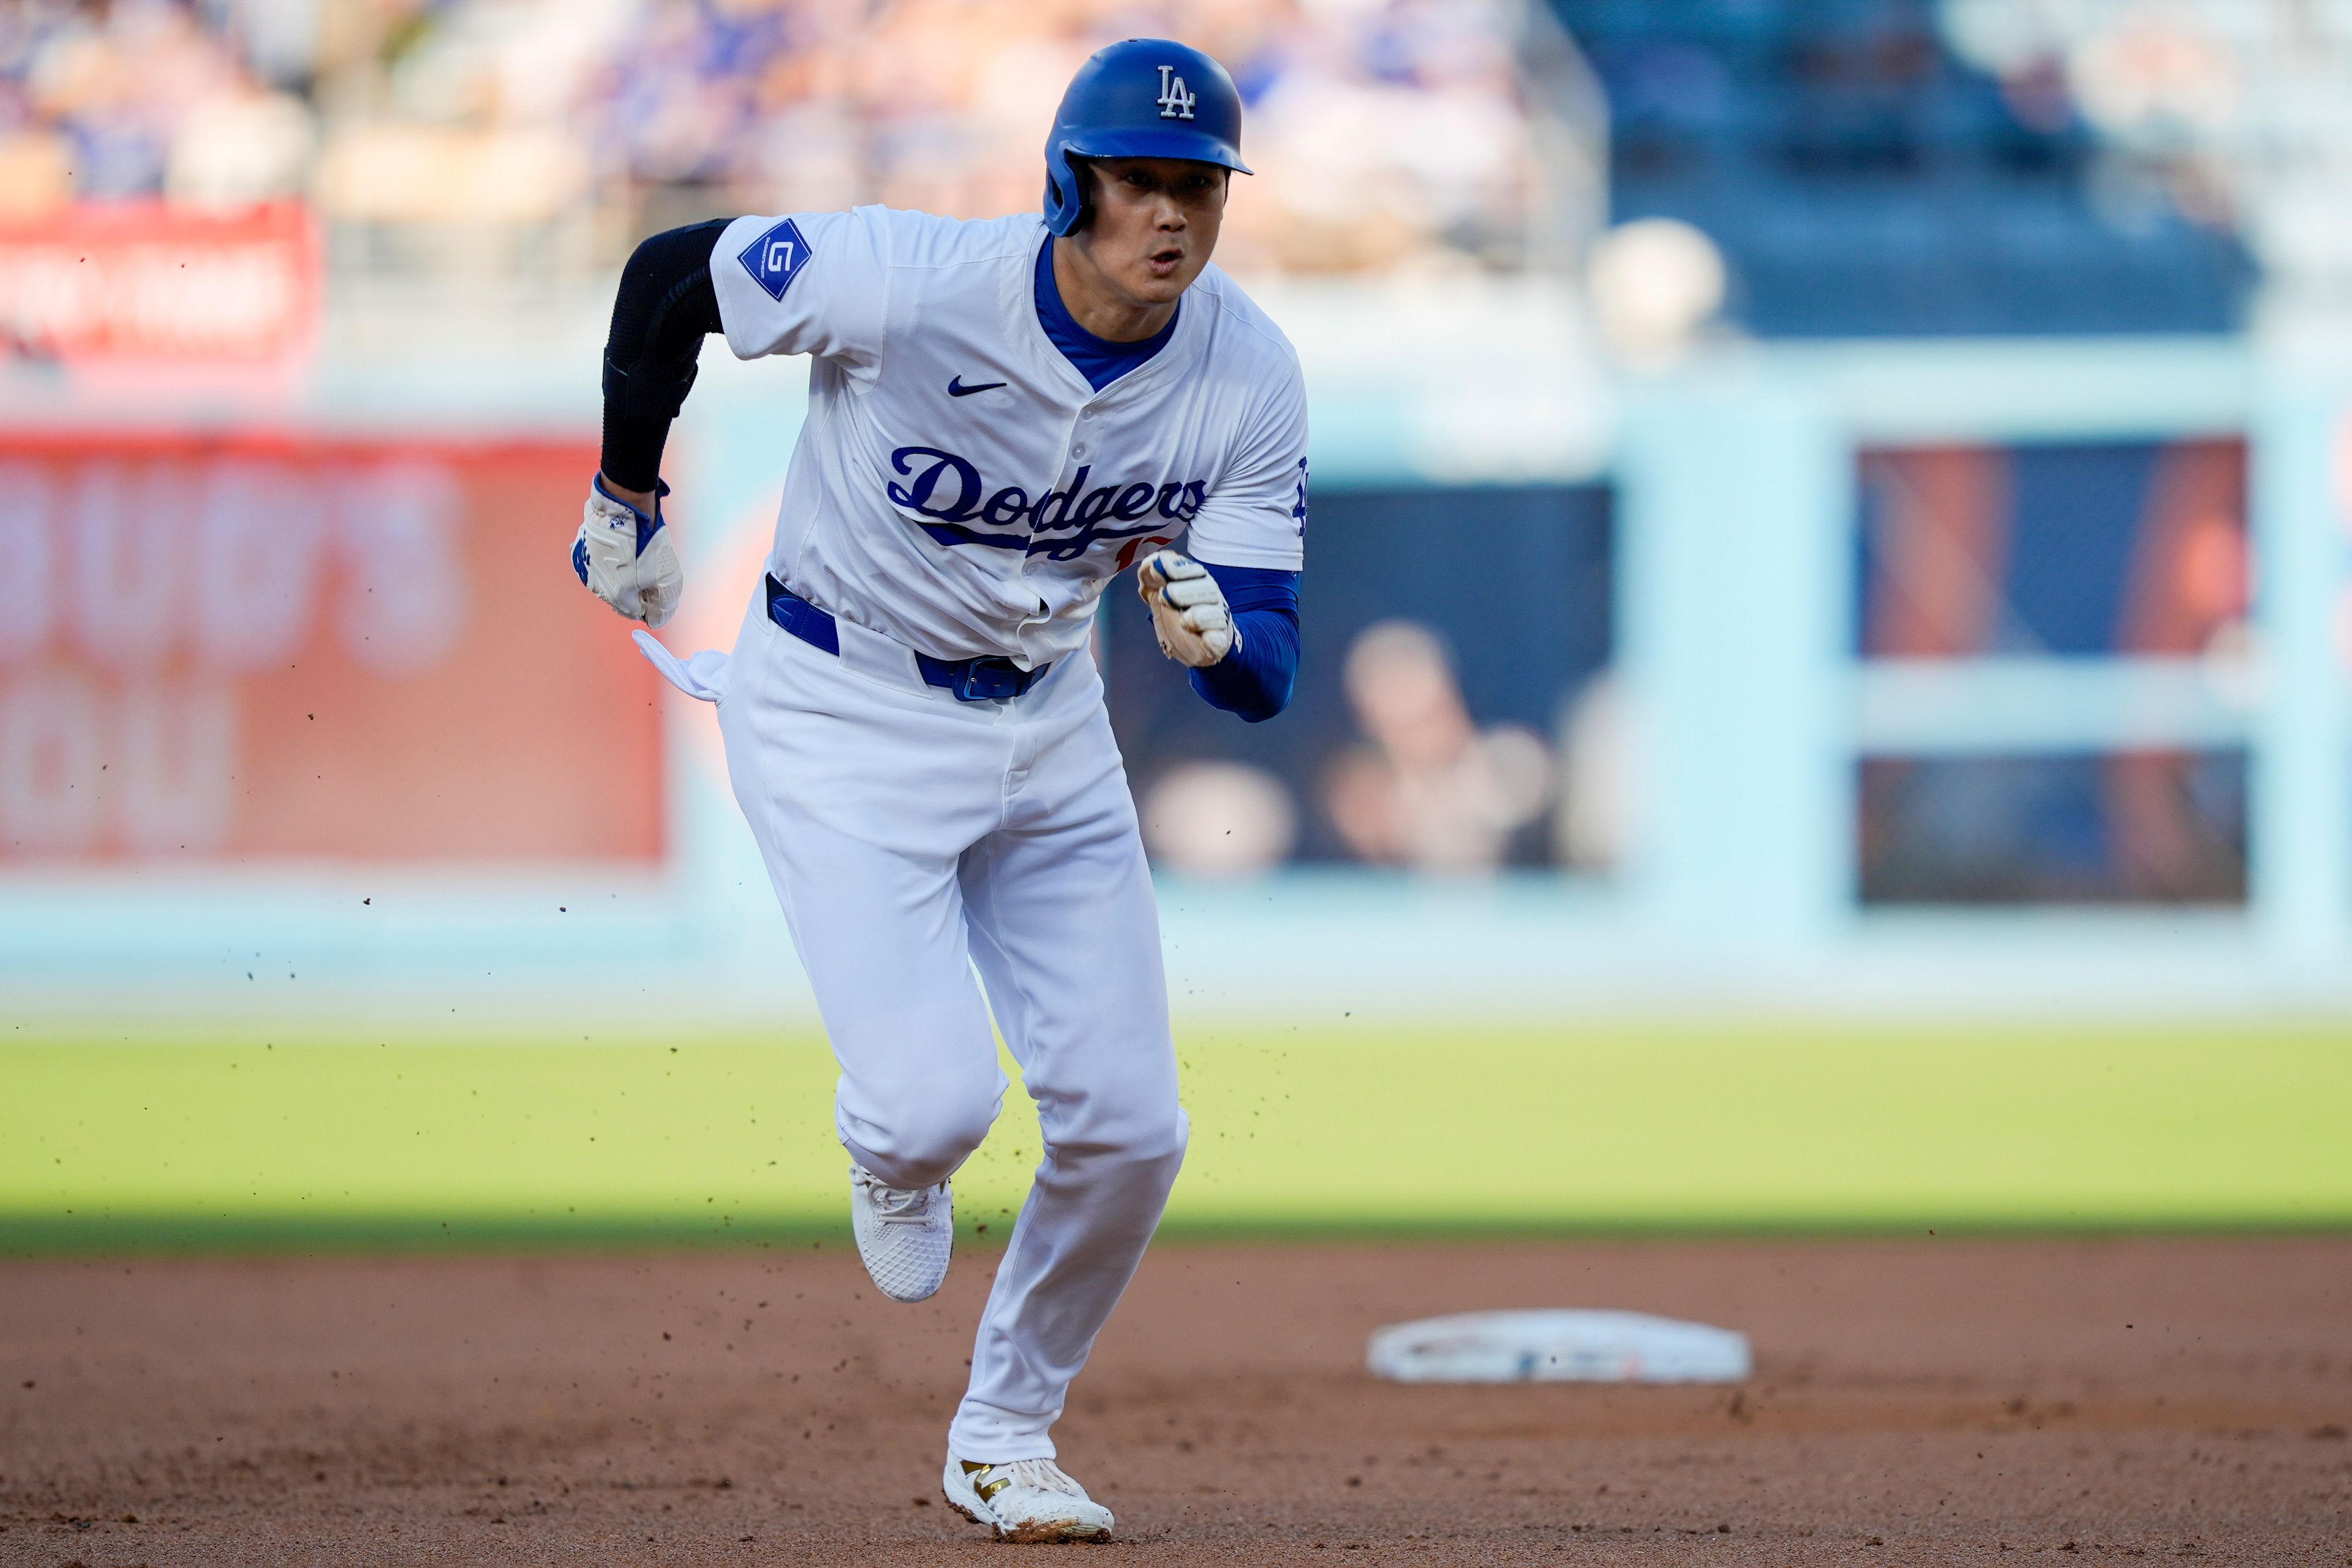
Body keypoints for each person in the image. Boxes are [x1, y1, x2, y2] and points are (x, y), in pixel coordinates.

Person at [570, 38, 1306, 1543]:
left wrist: (1225, 646)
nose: (1171, 215)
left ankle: (1006, 1429)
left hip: (1050, 726)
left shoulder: (1250, 370)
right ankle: (893, 1145)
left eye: (1201, 187)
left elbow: (1266, 662)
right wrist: (628, 490)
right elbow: (668, 277)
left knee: (1132, 1126)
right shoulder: (911, 278)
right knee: (932, 1106)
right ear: (1066, 183)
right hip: (838, 703)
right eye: (1138, 182)